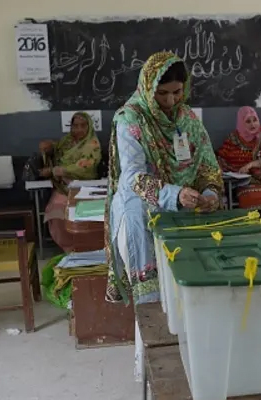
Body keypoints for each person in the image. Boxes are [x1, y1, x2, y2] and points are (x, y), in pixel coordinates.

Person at [104, 52, 223, 383]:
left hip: (183, 212)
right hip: (139, 216)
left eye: (177, 91)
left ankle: (190, 363)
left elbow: (208, 168)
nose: (171, 100)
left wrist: (210, 194)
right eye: (163, 93)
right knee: (154, 302)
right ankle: (153, 375)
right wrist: (173, 195)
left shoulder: (187, 118)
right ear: (148, 86)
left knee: (188, 292)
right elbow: (132, 178)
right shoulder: (130, 118)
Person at [39, 112, 102, 252]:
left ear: (89, 127)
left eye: (83, 126)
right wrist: (49, 147)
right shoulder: (66, 141)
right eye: (75, 126)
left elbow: (85, 165)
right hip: (64, 189)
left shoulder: (92, 144)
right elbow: (57, 149)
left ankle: (89, 249)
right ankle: (69, 248)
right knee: (56, 212)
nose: (78, 129)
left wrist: (57, 170)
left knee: (84, 218)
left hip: (85, 189)